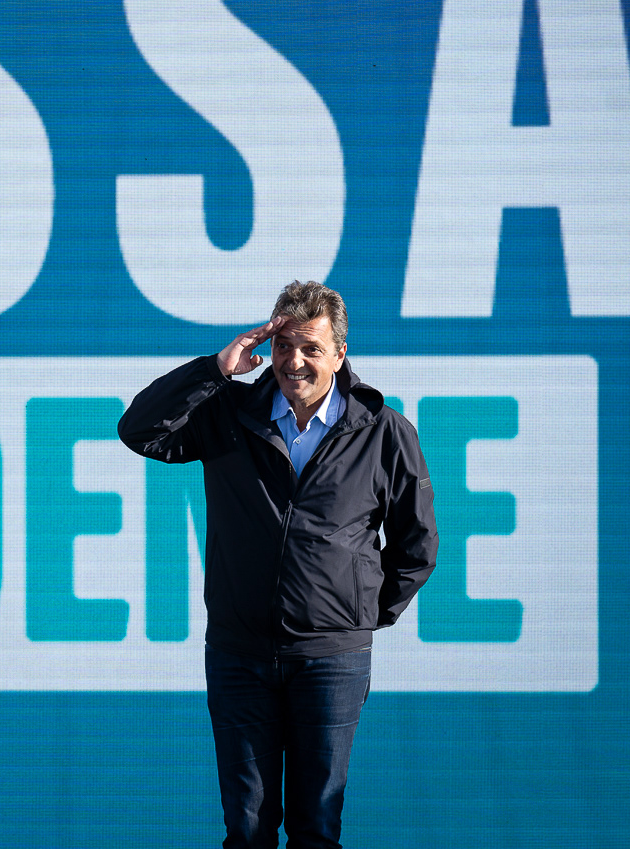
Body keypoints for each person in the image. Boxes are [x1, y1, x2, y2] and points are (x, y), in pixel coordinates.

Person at [118, 280, 437, 849]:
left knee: (317, 829)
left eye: (311, 348)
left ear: (340, 354)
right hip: (241, 655)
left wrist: (356, 615)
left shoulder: (385, 432)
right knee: (246, 829)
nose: (295, 361)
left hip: (331, 662)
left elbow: (417, 544)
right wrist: (216, 370)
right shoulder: (229, 415)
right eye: (285, 345)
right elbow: (139, 430)